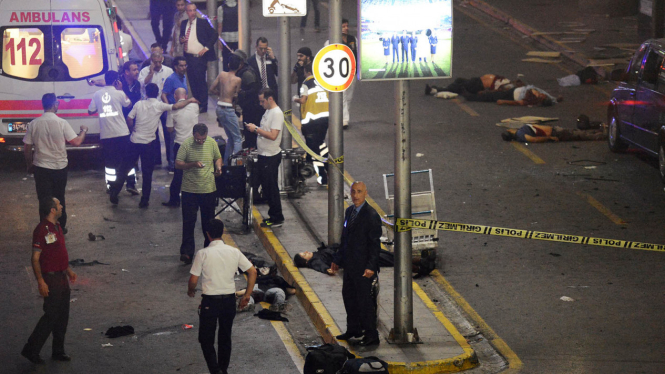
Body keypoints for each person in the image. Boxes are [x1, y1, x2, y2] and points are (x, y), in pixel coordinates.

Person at [110, 83, 197, 208]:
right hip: (148, 144)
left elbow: (129, 118)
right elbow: (177, 105)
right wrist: (190, 100)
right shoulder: (160, 105)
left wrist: (132, 129)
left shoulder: (139, 104)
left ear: (145, 92)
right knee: (147, 173)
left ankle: (114, 192)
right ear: (157, 94)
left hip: (134, 141)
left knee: (124, 168)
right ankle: (144, 200)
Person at [188, 219, 257, 374]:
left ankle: (215, 370)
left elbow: (193, 280)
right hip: (228, 301)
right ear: (222, 233)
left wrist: (191, 290)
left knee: (206, 338)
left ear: (208, 234)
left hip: (210, 302)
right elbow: (252, 272)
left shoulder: (202, 254)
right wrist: (246, 295)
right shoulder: (234, 251)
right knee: (225, 337)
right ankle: (223, 369)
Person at [21, 197, 77, 364]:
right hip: (51, 279)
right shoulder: (42, 230)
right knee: (51, 315)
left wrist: (68, 271)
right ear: (53, 210)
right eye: (59, 205)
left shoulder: (57, 227)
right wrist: (40, 281)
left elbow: (58, 252)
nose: (61, 206)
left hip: (61, 277)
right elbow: (35, 259)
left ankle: (58, 351)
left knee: (62, 316)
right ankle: (31, 349)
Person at [23, 94, 88, 232]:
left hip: (41, 167)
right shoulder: (62, 123)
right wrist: (84, 131)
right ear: (54, 105)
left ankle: (45, 228)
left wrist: (29, 164)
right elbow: (76, 142)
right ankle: (61, 227)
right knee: (59, 197)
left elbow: (27, 147)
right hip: (60, 167)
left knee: (44, 199)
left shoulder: (34, 124)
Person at [330, 181, 381, 347]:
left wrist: (371, 267)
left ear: (365, 193)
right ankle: (354, 329)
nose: (355, 196)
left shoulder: (371, 216)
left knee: (365, 302)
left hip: (363, 267)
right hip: (350, 265)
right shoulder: (350, 211)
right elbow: (345, 239)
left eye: (359, 192)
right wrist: (337, 259)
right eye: (353, 192)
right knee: (349, 297)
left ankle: (371, 335)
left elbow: (374, 245)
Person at [177, 124, 223, 264]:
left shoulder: (212, 143)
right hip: (189, 191)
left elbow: (218, 157)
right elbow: (178, 164)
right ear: (194, 135)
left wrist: (218, 167)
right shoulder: (186, 145)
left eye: (203, 139)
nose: (201, 142)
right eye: (198, 140)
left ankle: (208, 251)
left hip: (208, 190)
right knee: (189, 222)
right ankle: (187, 253)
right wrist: (191, 164)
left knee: (208, 223)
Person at [87, 70, 138, 195]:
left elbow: (90, 111)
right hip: (122, 133)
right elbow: (129, 104)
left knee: (110, 162)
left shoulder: (97, 94)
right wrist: (121, 90)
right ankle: (130, 184)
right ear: (116, 81)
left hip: (106, 134)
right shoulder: (119, 93)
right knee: (127, 160)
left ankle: (110, 186)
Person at [245, 88, 284, 228]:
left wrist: (255, 129)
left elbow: (273, 135)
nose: (261, 104)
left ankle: (277, 217)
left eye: (263, 101)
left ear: (270, 99)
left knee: (271, 188)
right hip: (264, 154)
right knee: (266, 187)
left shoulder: (277, 114)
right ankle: (274, 214)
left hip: (270, 156)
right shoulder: (268, 111)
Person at [163, 88, 200, 207]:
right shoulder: (195, 106)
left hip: (180, 144)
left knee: (178, 174)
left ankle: (174, 200)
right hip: (194, 145)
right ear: (186, 95)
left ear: (175, 96)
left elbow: (169, 129)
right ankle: (194, 200)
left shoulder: (172, 110)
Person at [180, 2, 218, 113]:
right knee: (192, 80)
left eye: (194, 10)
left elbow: (214, 34)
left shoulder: (202, 23)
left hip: (199, 57)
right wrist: (181, 40)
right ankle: (196, 102)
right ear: (187, 12)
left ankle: (203, 104)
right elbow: (181, 37)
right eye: (190, 11)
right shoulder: (184, 23)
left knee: (200, 81)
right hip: (188, 57)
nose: (192, 13)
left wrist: (206, 48)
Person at [294, 247, 436, 277]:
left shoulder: (317, 252)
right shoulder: (315, 260)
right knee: (387, 259)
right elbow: (320, 266)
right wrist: (327, 270)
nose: (306, 251)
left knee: (387, 255)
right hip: (356, 259)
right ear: (306, 262)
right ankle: (420, 267)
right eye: (304, 254)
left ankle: (421, 262)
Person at [294, 63, 328, 186]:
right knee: (319, 144)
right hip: (324, 120)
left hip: (311, 121)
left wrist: (295, 99)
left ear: (306, 72)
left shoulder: (306, 83)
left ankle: (324, 175)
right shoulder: (324, 81)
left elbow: (303, 100)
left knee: (314, 150)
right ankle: (324, 170)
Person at [139, 50, 175, 167]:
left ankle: (170, 160)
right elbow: (142, 84)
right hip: (150, 106)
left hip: (164, 105)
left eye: (159, 62)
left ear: (162, 60)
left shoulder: (169, 71)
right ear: (151, 61)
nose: (158, 64)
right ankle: (156, 160)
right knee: (153, 134)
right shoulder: (144, 71)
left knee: (168, 132)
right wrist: (151, 72)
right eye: (155, 62)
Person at [210, 54, 242, 165]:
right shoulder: (237, 79)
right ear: (239, 66)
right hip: (228, 108)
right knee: (237, 138)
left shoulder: (222, 74)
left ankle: (226, 163)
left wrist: (221, 94)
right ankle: (237, 164)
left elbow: (212, 88)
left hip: (219, 107)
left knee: (230, 137)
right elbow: (236, 95)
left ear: (228, 64)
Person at [233, 49, 263, 149]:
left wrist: (243, 93)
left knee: (250, 134)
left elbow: (255, 89)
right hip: (248, 108)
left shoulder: (246, 74)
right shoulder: (242, 71)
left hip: (252, 109)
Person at [463, 85, 561, 107]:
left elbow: (519, 102)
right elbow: (551, 97)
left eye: (542, 96)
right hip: (514, 90)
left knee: (491, 96)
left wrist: (504, 101)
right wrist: (556, 99)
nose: (542, 94)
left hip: (510, 95)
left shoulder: (532, 100)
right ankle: (475, 93)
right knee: (493, 92)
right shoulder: (541, 94)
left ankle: (470, 97)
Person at [425, 74, 517, 96]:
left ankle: (435, 90)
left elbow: (495, 92)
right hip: (477, 80)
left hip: (478, 85)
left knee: (459, 86)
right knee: (459, 80)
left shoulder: (506, 88)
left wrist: (484, 91)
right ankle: (443, 89)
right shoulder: (507, 81)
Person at [501, 123, 606, 143]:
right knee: (582, 135)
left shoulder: (520, 133)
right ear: (509, 131)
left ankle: (604, 131)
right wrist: (549, 138)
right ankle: (605, 135)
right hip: (555, 133)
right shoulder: (520, 134)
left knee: (579, 133)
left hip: (555, 130)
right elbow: (533, 139)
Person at [248, 37, 279, 103]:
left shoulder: (270, 59)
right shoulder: (250, 61)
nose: (263, 51)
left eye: (265, 49)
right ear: (256, 47)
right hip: (258, 93)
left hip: (271, 92)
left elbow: (278, 73)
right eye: (261, 48)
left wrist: (273, 58)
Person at [341, 19, 356, 128]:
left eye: (347, 26)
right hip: (340, 74)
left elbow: (358, 54)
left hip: (352, 73)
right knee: (343, 96)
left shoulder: (353, 39)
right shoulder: (331, 41)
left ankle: (344, 116)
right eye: (343, 26)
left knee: (349, 97)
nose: (346, 28)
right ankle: (344, 120)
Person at [216, 0, 239, 72]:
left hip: (225, 39)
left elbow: (220, 25)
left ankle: (227, 79)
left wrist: (219, 39)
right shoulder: (240, 7)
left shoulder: (221, 8)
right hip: (238, 37)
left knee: (226, 61)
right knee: (238, 59)